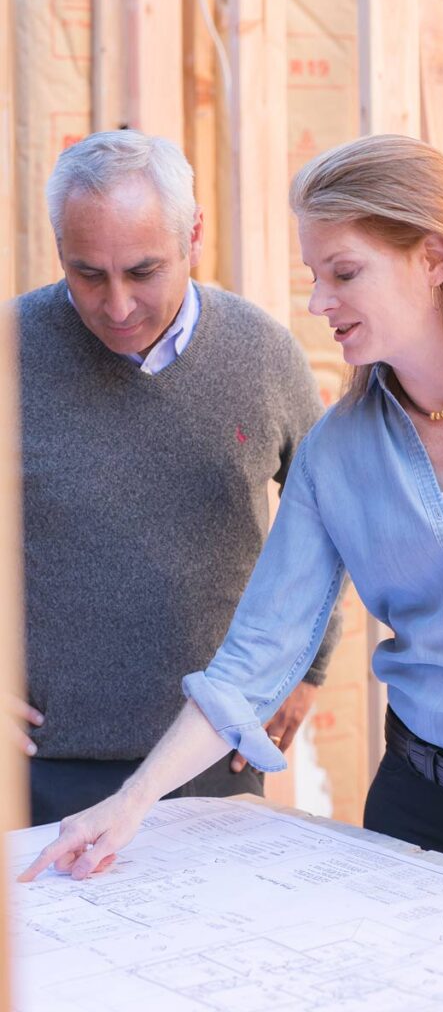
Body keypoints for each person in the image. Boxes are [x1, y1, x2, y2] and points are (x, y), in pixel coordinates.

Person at [21, 134, 443, 886]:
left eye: (344, 272)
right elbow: (257, 652)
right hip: (416, 807)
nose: (316, 302)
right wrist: (132, 803)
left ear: (433, 259)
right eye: (314, 275)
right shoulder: (337, 452)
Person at [11, 129, 341, 826]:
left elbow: (337, 518)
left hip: (211, 755)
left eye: (143, 271)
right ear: (59, 247)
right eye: (88, 274)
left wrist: (305, 666)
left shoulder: (262, 355)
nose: (118, 306)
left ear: (193, 235)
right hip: (39, 763)